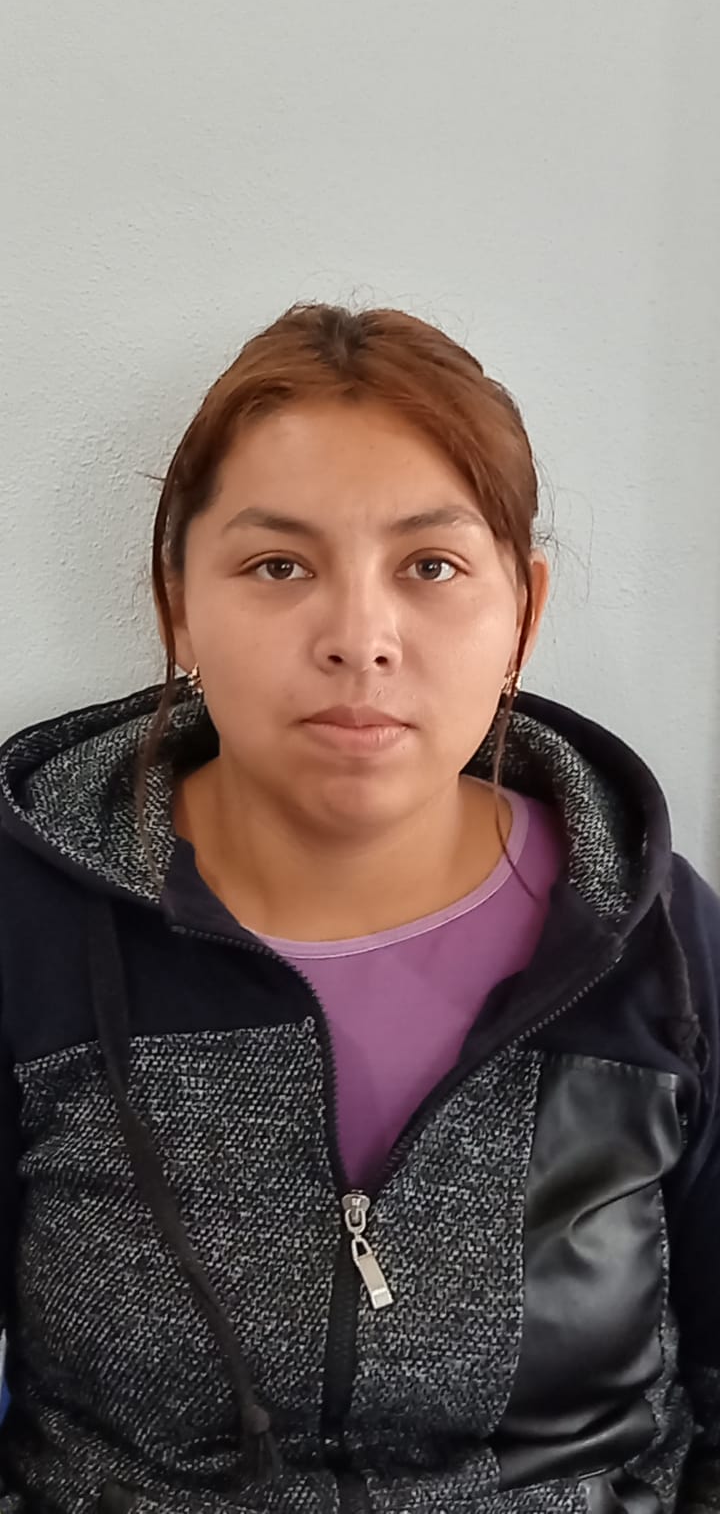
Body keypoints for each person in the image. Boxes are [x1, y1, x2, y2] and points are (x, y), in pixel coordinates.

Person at [0, 302, 718, 1514]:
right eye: (278, 566)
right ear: (179, 605)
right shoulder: (30, 924)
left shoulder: (658, 940)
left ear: (523, 615)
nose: (359, 638)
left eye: (430, 567)